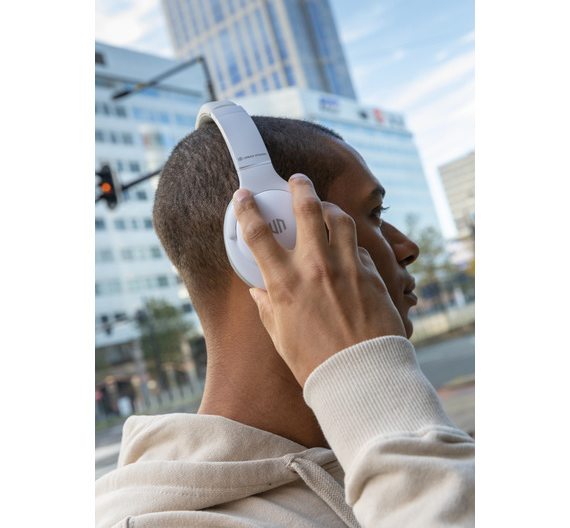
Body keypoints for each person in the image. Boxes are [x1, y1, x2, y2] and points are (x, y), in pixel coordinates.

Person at [95, 115, 475, 527]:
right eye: (375, 213)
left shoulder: (369, 450)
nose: (408, 246)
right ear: (276, 235)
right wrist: (368, 379)